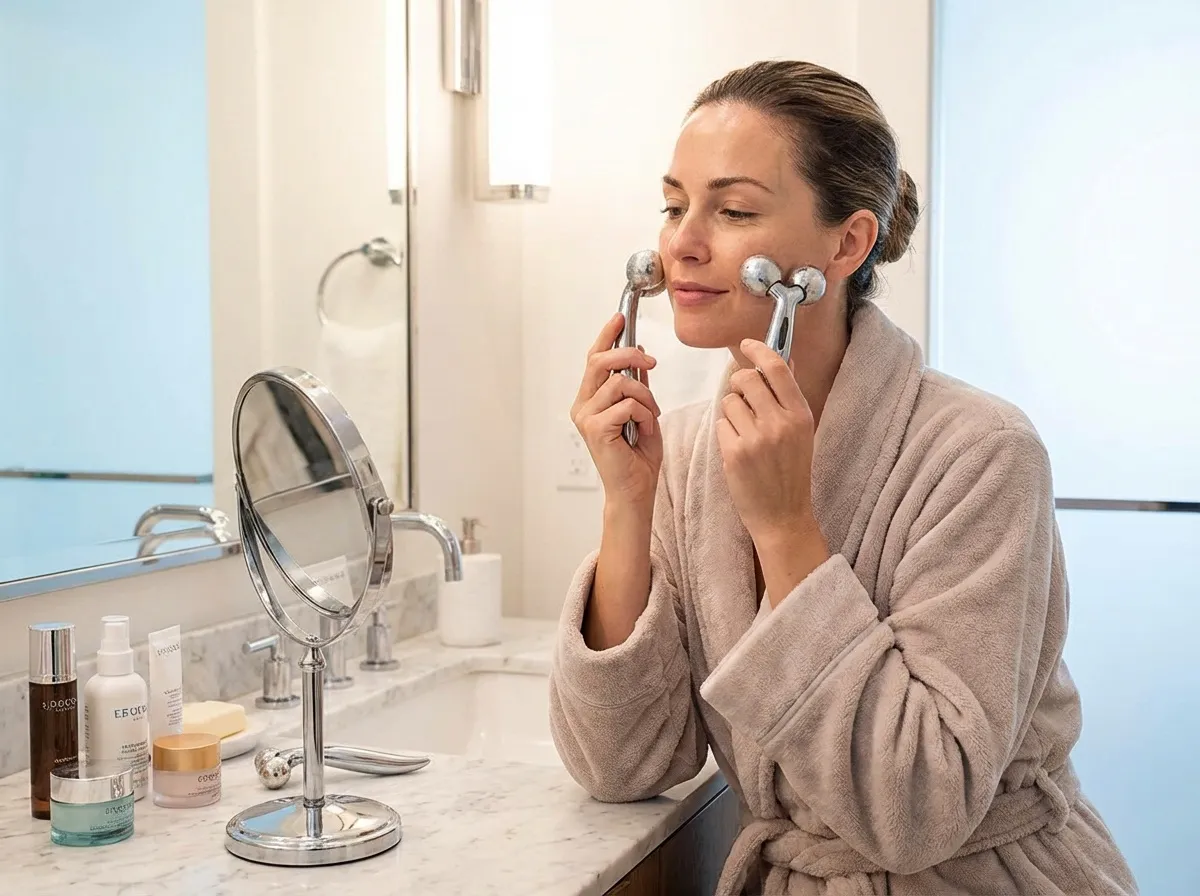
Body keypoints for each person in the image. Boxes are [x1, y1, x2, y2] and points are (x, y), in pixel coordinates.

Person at [548, 60, 1137, 895]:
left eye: (735, 209)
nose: (680, 241)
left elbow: (917, 811)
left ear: (848, 242)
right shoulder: (679, 457)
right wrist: (628, 503)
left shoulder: (982, 454)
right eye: (675, 204)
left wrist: (787, 528)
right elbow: (619, 763)